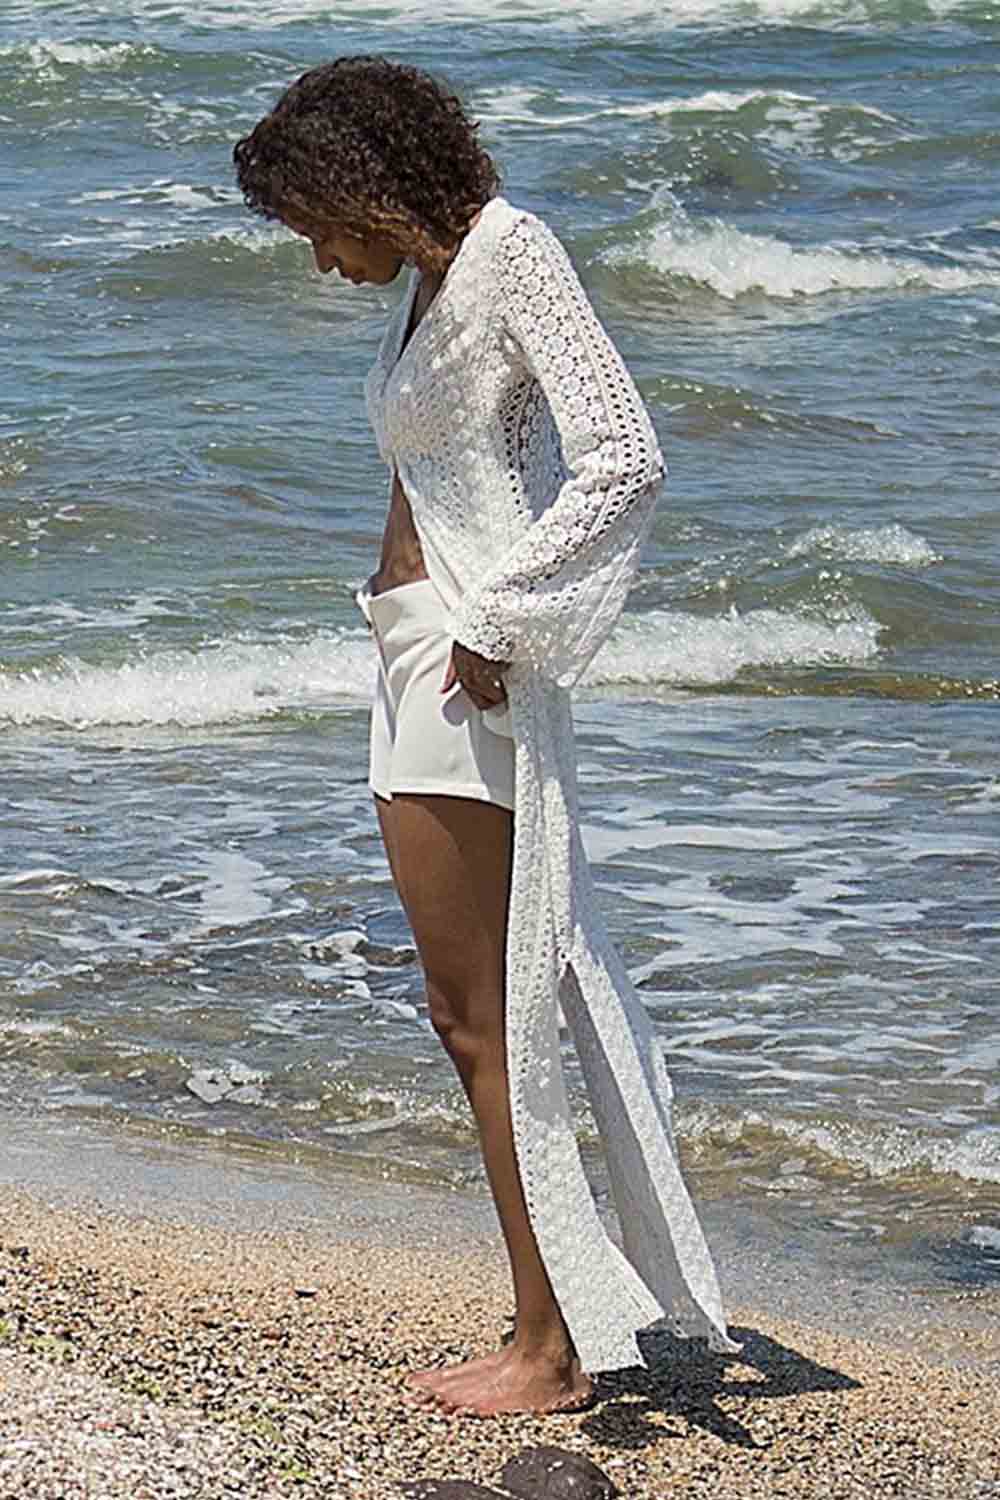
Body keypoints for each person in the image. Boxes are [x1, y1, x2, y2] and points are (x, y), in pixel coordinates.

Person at [233, 56, 737, 1419]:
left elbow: (623, 455)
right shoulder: (431, 282)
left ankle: (552, 1350)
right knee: (470, 1014)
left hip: (468, 664)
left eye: (316, 227)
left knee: (489, 1018)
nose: (320, 260)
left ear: (361, 185)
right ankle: (548, 1323)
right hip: (413, 654)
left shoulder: (515, 253)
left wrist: (503, 619)